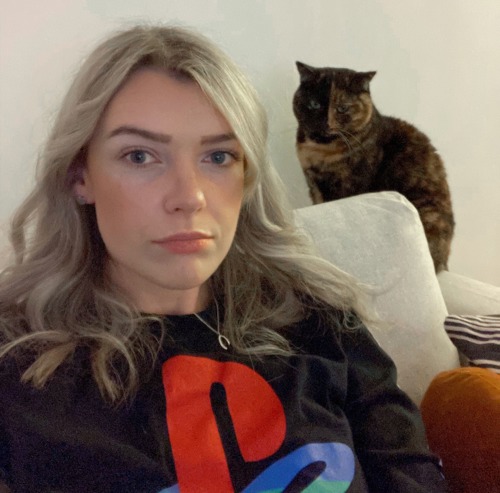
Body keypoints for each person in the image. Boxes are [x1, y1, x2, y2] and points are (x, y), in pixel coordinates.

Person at [0, 24, 447, 492]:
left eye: (217, 157)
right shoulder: (18, 367)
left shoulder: (320, 320)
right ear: (79, 175)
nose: (190, 197)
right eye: (139, 155)